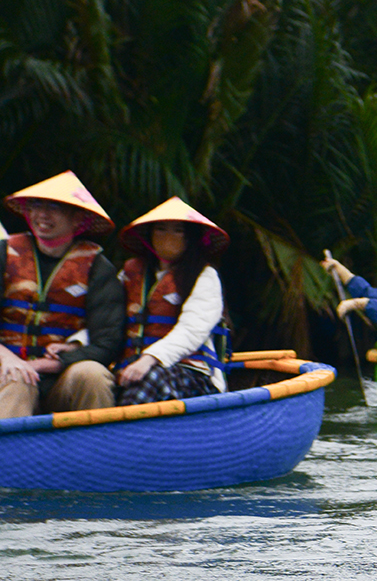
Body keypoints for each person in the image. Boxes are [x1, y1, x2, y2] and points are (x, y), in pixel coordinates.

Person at [0, 171, 123, 418]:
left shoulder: (98, 268)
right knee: (17, 379)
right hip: (6, 371)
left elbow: (108, 341)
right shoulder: (5, 253)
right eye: (36, 206)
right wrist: (8, 359)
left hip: (59, 378)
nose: (42, 215)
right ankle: (10, 456)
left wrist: (51, 363)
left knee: (92, 374)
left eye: (54, 207)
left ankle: (93, 453)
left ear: (78, 219)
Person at [114, 198, 230, 405]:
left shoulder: (204, 276)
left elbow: (191, 330)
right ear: (150, 235)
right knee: (91, 377)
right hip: (129, 366)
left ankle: (126, 435)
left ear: (191, 238)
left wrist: (150, 360)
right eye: (161, 229)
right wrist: (76, 342)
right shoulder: (129, 273)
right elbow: (106, 316)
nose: (168, 236)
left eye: (178, 230)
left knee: (149, 379)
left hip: (190, 373)